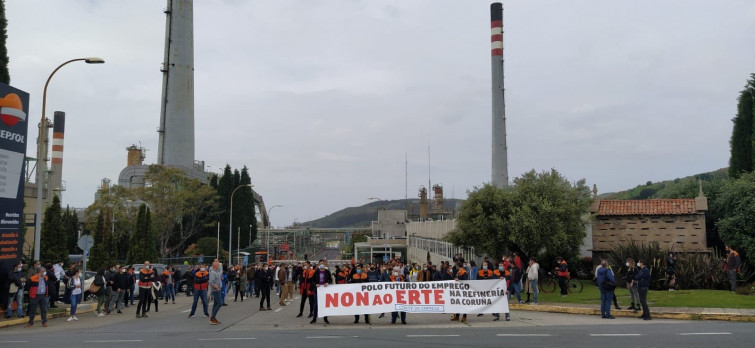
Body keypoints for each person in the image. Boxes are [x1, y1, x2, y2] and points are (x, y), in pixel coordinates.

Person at [209, 260, 223, 325]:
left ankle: (213, 317)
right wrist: (217, 288)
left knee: (215, 303)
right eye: (218, 265)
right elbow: (211, 282)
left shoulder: (216, 272)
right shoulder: (212, 272)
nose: (219, 266)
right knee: (220, 303)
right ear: (215, 266)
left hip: (218, 289)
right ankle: (212, 318)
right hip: (216, 290)